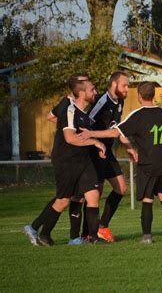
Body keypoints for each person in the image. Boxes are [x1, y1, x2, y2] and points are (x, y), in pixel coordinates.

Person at [79, 81, 162, 243]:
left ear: (139, 96)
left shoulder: (137, 115)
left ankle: (147, 237)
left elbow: (115, 133)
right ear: (153, 95)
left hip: (147, 164)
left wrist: (92, 134)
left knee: (148, 199)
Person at [23, 76, 106, 246]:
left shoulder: (83, 113)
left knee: (93, 194)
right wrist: (95, 142)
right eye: (92, 89)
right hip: (66, 160)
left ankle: (92, 239)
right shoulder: (69, 108)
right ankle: (35, 228)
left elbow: (57, 120)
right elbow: (69, 138)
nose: (96, 92)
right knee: (63, 201)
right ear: (81, 93)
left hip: (83, 160)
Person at [86, 71, 130, 242]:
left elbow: (117, 129)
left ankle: (102, 227)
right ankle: (88, 233)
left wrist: (130, 148)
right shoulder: (102, 102)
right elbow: (86, 125)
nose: (127, 88)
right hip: (95, 151)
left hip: (107, 150)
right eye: (124, 85)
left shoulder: (120, 101)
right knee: (93, 194)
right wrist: (95, 142)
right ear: (114, 85)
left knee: (121, 187)